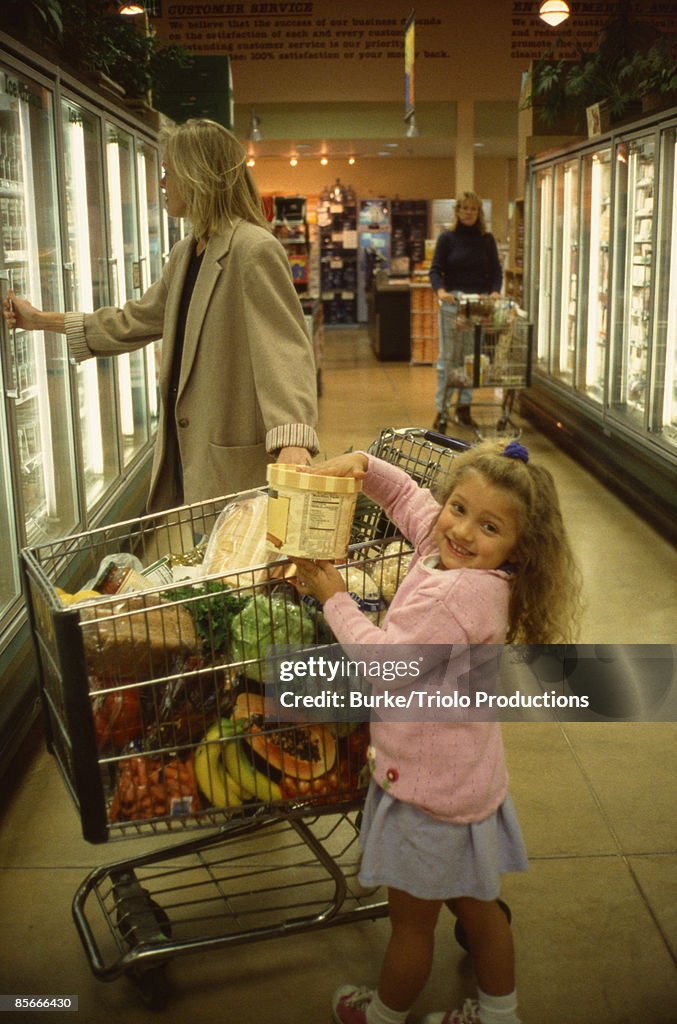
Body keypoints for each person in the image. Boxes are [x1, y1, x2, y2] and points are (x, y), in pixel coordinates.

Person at [291, 439, 582, 1024]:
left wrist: (335, 598)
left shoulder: (457, 593)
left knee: (411, 926)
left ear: (519, 549)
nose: (463, 531)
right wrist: (365, 466)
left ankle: (381, 1016)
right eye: (458, 508)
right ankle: (500, 1016)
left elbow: (383, 667)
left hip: (426, 794)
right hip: (464, 780)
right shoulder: (459, 561)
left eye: (490, 526)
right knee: (479, 912)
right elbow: (407, 498)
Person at [2, 118, 319, 512]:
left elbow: (285, 349)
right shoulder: (186, 253)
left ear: (198, 174)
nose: (163, 183)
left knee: (235, 565)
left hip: (230, 455)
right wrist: (41, 320)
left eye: (169, 172)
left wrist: (293, 439)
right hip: (188, 451)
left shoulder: (252, 249)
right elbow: (134, 321)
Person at [429, 191, 503, 431]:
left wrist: (494, 292)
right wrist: (440, 291)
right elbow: (435, 270)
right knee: (448, 358)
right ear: (458, 211)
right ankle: (442, 409)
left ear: (479, 213)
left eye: (473, 209)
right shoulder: (447, 238)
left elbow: (496, 272)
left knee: (472, 360)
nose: (469, 213)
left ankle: (464, 408)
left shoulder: (486, 239)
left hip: (477, 306)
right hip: (453, 305)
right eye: (465, 209)